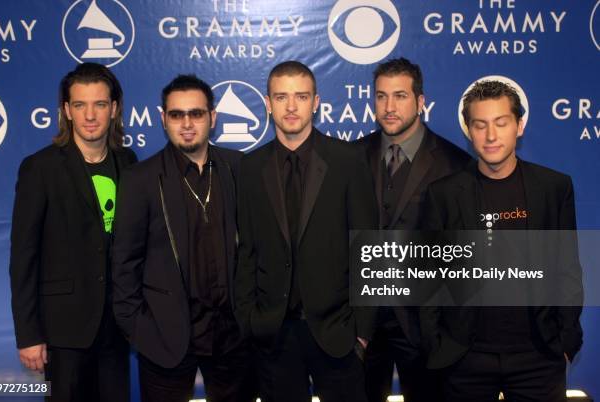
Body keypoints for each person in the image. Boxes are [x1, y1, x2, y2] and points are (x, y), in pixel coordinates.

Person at [421, 80, 583, 401]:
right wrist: (436, 345)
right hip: (464, 358)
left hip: (538, 357)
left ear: (519, 126)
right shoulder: (443, 195)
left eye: (501, 123)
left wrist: (565, 341)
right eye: (480, 125)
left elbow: (567, 269)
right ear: (468, 130)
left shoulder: (553, 188)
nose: (491, 136)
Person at [234, 60, 377, 402]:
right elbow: (245, 252)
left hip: (339, 332)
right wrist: (250, 322)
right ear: (268, 104)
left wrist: (363, 333)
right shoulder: (250, 168)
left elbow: (368, 247)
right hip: (274, 333)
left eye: (301, 96)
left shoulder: (347, 160)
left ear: (316, 102)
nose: (292, 106)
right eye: (281, 97)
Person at [112, 74, 254, 402]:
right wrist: (141, 330)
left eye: (196, 114)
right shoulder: (140, 179)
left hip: (233, 337)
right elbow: (124, 263)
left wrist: (252, 319)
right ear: (163, 119)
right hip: (166, 338)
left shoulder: (240, 168)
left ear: (213, 118)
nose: (187, 123)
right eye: (177, 115)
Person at [9, 62, 136, 402]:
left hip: (116, 329)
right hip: (62, 332)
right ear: (67, 110)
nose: (90, 115)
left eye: (99, 104)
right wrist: (29, 335)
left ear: (115, 109)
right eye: (80, 105)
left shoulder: (129, 162)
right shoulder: (41, 168)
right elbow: (24, 257)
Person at [356, 57, 470, 402]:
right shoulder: (350, 157)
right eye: (381, 96)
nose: (389, 107)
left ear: (421, 101)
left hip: (424, 327)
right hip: (361, 326)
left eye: (400, 96)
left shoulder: (454, 164)